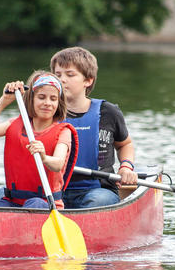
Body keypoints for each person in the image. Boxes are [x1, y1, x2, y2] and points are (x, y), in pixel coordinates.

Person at [0, 71, 78, 209]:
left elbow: (58, 163)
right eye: (41, 97)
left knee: (35, 204)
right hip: (12, 201)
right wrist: (4, 101)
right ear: (31, 99)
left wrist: (44, 157)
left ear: (59, 103)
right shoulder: (14, 124)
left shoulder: (63, 132)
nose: (47, 103)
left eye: (53, 99)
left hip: (46, 203)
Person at [51, 46, 138, 208]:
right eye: (58, 75)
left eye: (70, 74)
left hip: (99, 190)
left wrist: (126, 167)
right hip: (54, 190)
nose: (62, 80)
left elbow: (125, 144)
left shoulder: (108, 112)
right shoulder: (45, 112)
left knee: (96, 202)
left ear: (88, 80)